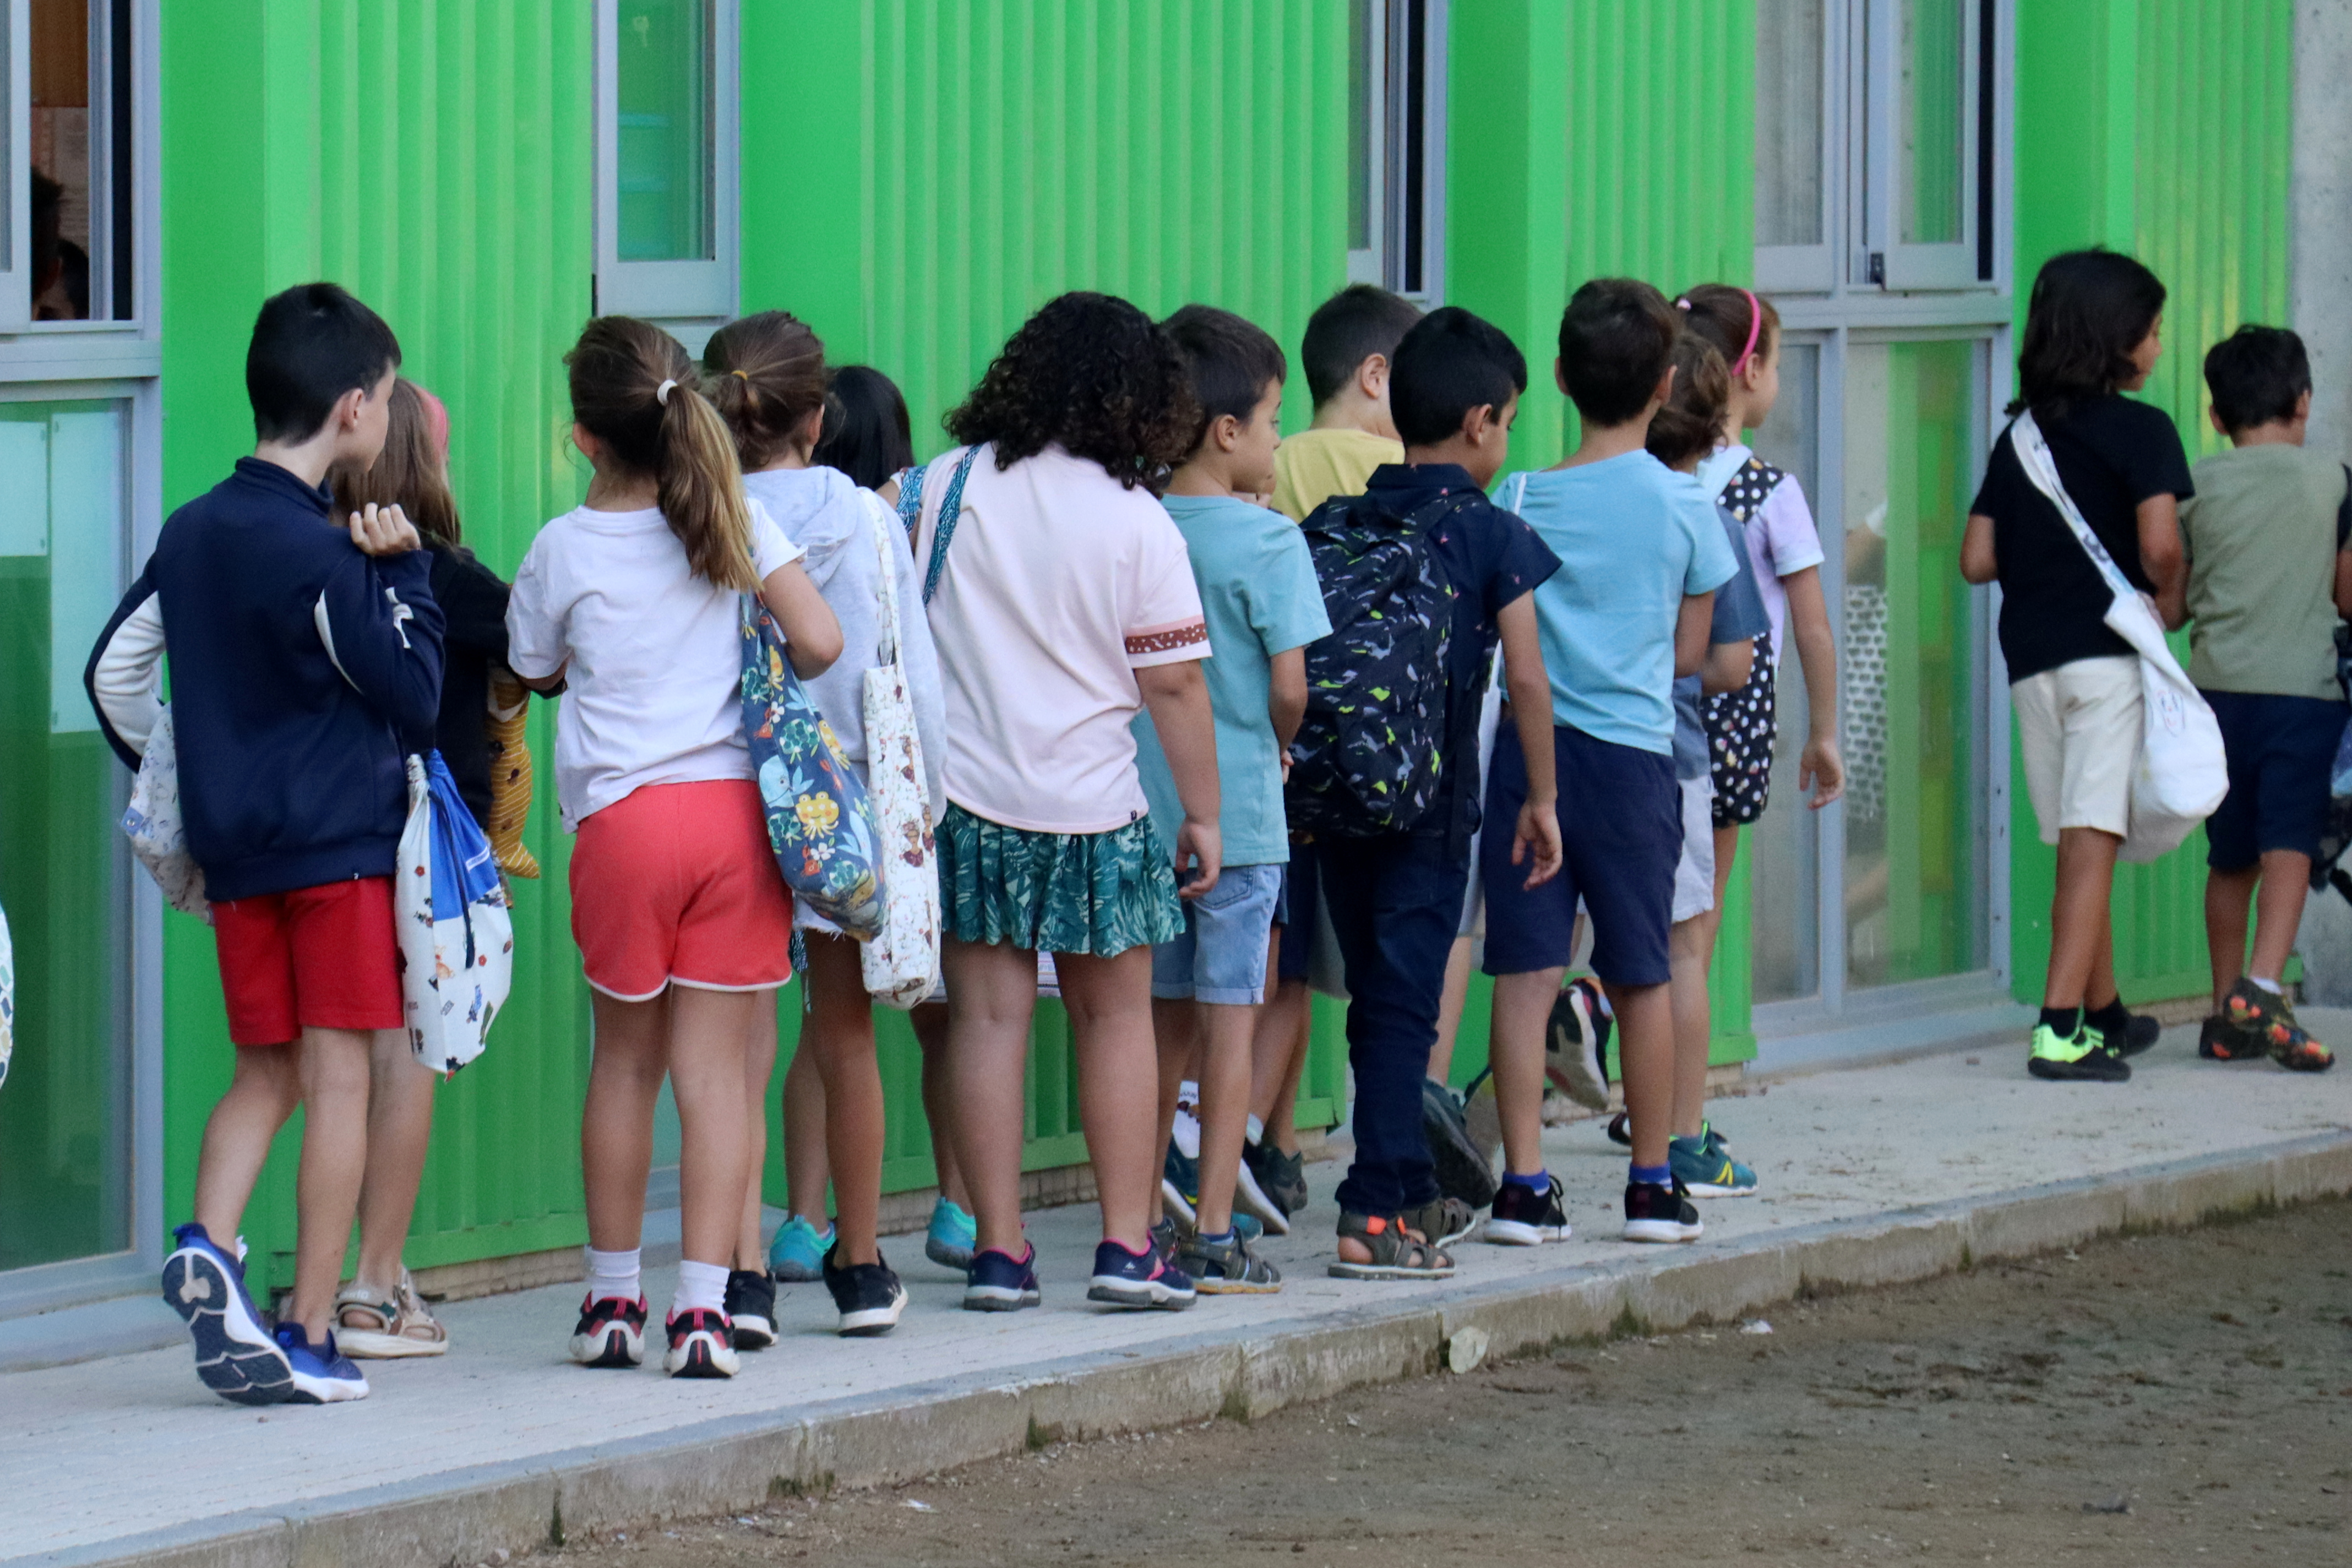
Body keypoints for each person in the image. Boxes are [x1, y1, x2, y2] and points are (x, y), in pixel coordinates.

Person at [89, 282, 440, 1404]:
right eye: (384, 398)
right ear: (350, 409)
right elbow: (416, 691)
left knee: (265, 1069)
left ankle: (210, 1241)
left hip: (236, 859)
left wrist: (198, 771)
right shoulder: (326, 554)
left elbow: (113, 673)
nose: (384, 417)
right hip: (336, 855)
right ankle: (306, 1326)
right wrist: (404, 572)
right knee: (339, 1081)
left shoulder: (191, 531)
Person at [506, 316, 843, 1379]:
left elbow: (529, 667)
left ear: (583, 436)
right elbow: (823, 639)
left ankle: (613, 1302)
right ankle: (705, 1313)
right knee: (716, 1081)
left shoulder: (564, 546)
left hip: (624, 824)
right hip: (736, 823)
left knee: (625, 1065)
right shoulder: (730, 516)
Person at [908, 291, 1221, 1313]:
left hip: (966, 805)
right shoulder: (1138, 519)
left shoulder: (931, 492)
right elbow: (1173, 685)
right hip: (1096, 806)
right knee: (1115, 1019)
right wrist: (1207, 815)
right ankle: (1127, 1247)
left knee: (987, 1023)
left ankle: (999, 1252)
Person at [1299, 304, 1564, 1280]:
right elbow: (1528, 678)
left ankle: (1403, 1185)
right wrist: (1540, 796)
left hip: (1335, 796)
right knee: (1404, 1002)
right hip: (1429, 807)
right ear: (1483, 423)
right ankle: (1375, 1214)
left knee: (1379, 996)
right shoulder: (1490, 534)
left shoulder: (1337, 519)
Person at [705, 313, 952, 1336]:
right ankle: (859, 1265)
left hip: (727, 797)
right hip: (842, 802)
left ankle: (745, 1272)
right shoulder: (866, 517)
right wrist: (921, 803)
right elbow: (907, 671)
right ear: (817, 417)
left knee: (741, 1045)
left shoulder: (698, 513)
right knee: (846, 1037)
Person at [1484, 279, 1738, 1246]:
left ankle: (1525, 1185)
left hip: (1529, 762)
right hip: (1637, 764)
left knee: (1528, 973)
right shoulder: (1686, 506)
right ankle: (1650, 1182)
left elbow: (1507, 647)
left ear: (1557, 378)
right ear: (1668, 381)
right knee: (1643, 972)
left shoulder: (1518, 497)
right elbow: (1689, 654)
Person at [320, 377, 531, 1358]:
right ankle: (372, 1288)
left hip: (325, 836)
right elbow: (543, 650)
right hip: (425, 851)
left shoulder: (314, 557)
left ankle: (354, 1278)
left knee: (335, 1060)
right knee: (410, 1055)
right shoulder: (448, 577)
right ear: (419, 464)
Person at [1135, 305, 1332, 1291]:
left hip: (1141, 811)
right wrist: (1279, 743)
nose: (1278, 439)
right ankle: (1215, 1228)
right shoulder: (1270, 544)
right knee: (1229, 1022)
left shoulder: (1135, 526)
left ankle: (1134, 1227)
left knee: (1152, 1026)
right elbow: (1292, 688)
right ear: (1226, 433)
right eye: (1270, 420)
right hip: (1244, 818)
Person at [1961, 249, 2187, 1082]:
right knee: (2093, 844)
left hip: (2032, 665)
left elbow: (1976, 558)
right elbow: (2161, 543)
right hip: (2107, 663)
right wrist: (2169, 598)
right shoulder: (2144, 431)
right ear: (2116, 338)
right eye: (2153, 331)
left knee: (2076, 833)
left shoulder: (2018, 435)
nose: (2159, 347)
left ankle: (2106, 1013)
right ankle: (2058, 1030)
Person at [781, 362, 981, 1280]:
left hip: (783, 796)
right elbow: (922, 678)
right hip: (884, 786)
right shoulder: (892, 526)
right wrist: (927, 804)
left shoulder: (749, 518)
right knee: (934, 1018)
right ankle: (956, 1204)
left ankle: (802, 1218)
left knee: (823, 1024)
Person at [1248, 285, 1427, 1221]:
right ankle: (1253, 1143)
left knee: (1272, 960)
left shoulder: (1268, 461)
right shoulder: (1396, 467)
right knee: (1311, 969)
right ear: (1376, 376)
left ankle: (1273, 1142)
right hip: (1361, 759)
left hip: (1270, 745)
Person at [1676, 287, 1847, 1104]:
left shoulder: (1653, 475)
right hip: (1736, 715)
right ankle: (1671, 1104)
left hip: (1652, 702)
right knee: (1697, 926)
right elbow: (1811, 629)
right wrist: (1827, 731)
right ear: (1748, 373)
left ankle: (1614, 1029)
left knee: (1646, 908)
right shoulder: (1769, 492)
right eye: (1774, 362)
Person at [2179, 325, 2343, 1074]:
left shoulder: (2195, 488)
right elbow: (2347, 592)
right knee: (2290, 847)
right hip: (2303, 693)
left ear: (2217, 416)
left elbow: (2174, 599)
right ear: (2304, 400)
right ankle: (2267, 988)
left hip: (2214, 695)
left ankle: (2225, 1013)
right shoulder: (2335, 481)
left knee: (2231, 857)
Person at [1647, 334, 1769, 1205]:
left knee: (1538, 961)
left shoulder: (1544, 496)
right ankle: (1679, 1140)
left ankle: (1518, 1167)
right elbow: (1733, 663)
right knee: (1681, 947)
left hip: (1558, 754)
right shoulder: (1706, 517)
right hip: (1672, 753)